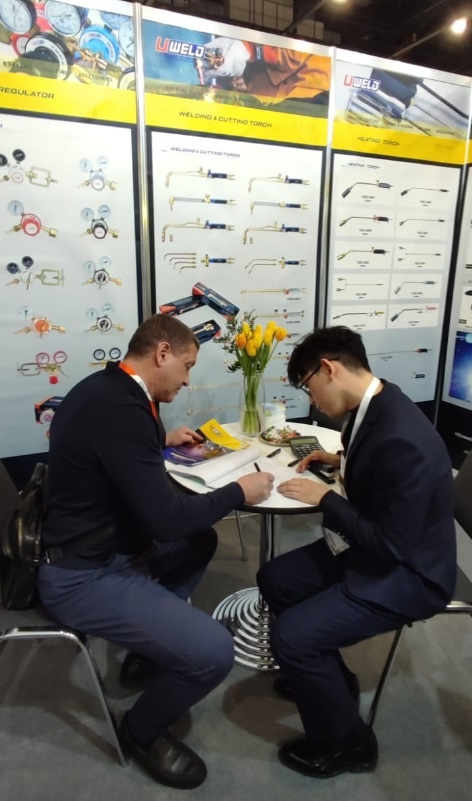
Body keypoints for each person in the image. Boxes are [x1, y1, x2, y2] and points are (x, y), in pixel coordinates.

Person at [38, 314, 274, 789]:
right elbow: (166, 519)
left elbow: (106, 450)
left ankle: (148, 648)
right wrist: (239, 493)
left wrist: (160, 441)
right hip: (82, 573)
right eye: (187, 367)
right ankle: (139, 731)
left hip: (101, 545)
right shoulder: (122, 410)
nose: (187, 381)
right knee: (214, 651)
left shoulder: (109, 389)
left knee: (200, 540)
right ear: (162, 353)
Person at [257, 325, 456, 779]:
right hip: (376, 549)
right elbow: (373, 461)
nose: (312, 400)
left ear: (328, 369)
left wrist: (326, 498)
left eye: (308, 387)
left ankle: (349, 744)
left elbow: (390, 544)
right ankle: (329, 678)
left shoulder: (401, 437)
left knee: (292, 637)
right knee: (275, 579)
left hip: (409, 573)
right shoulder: (381, 401)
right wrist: (337, 461)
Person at [202, 36, 330, 106]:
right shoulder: (325, 64)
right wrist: (247, 50)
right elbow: (289, 54)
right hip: (248, 60)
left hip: (256, 102)